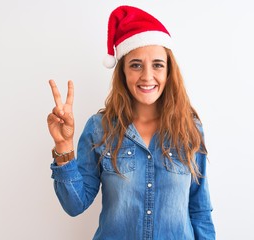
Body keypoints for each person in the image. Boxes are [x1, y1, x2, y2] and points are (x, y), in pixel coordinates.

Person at [47, 5, 215, 240]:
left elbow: (199, 211)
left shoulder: (190, 129)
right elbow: (75, 205)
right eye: (136, 65)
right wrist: (64, 145)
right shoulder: (99, 128)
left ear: (168, 72)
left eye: (157, 64)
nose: (147, 76)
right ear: (123, 72)